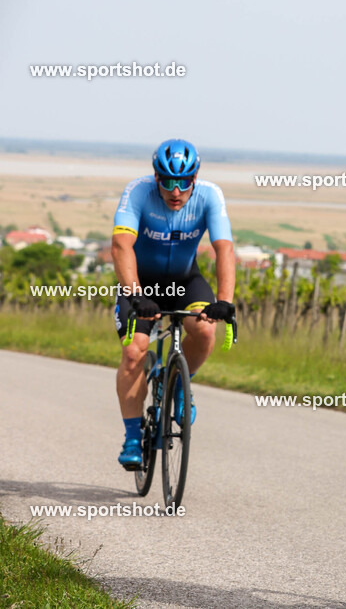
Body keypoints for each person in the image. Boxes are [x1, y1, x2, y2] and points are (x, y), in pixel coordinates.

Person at [111, 139, 236, 470]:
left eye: (184, 182)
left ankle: (180, 383)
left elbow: (224, 249)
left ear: (194, 179)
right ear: (156, 178)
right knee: (134, 351)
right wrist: (135, 293)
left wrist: (224, 301)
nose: (176, 191)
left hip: (184, 283)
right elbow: (121, 245)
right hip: (142, 285)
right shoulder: (138, 192)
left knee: (206, 331)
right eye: (167, 181)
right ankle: (133, 437)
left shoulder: (210, 195)